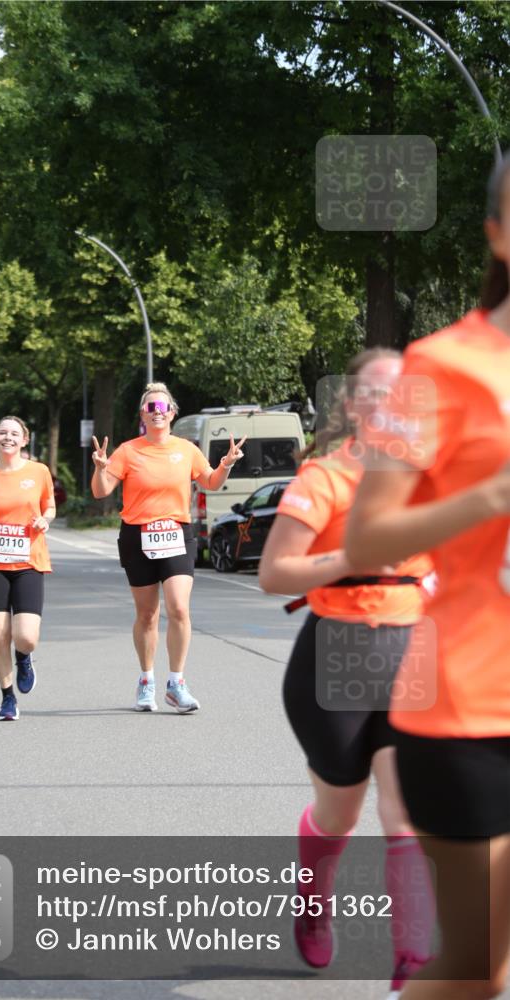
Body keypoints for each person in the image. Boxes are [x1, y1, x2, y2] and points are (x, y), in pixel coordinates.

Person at [345, 155, 510, 999]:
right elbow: (369, 533)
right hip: (471, 707)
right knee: (477, 970)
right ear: (496, 231)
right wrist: (491, 492)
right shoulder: (432, 369)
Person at [259, 350, 436, 999]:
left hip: (410, 648)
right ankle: (311, 903)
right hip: (333, 653)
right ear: (355, 407)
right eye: (378, 395)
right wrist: (351, 556)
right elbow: (273, 575)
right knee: (339, 814)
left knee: (404, 814)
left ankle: (411, 964)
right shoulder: (324, 477)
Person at [91, 381, 247, 713]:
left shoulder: (187, 449)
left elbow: (210, 482)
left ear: (172, 413)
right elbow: (101, 491)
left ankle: (176, 683)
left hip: (177, 534)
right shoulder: (128, 451)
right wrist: (100, 467)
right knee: (147, 614)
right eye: (151, 407)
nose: (157, 412)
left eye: (162, 407)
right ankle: (146, 680)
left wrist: (227, 463)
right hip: (137, 536)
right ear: (142, 415)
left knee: (179, 608)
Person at [0, 416, 55, 721]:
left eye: (14, 433)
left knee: (26, 636)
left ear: (24, 439)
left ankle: (24, 657)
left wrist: (45, 520)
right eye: (2, 432)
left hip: (29, 561)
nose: (8, 437)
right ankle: (7, 698)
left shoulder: (39, 471)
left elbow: (50, 506)